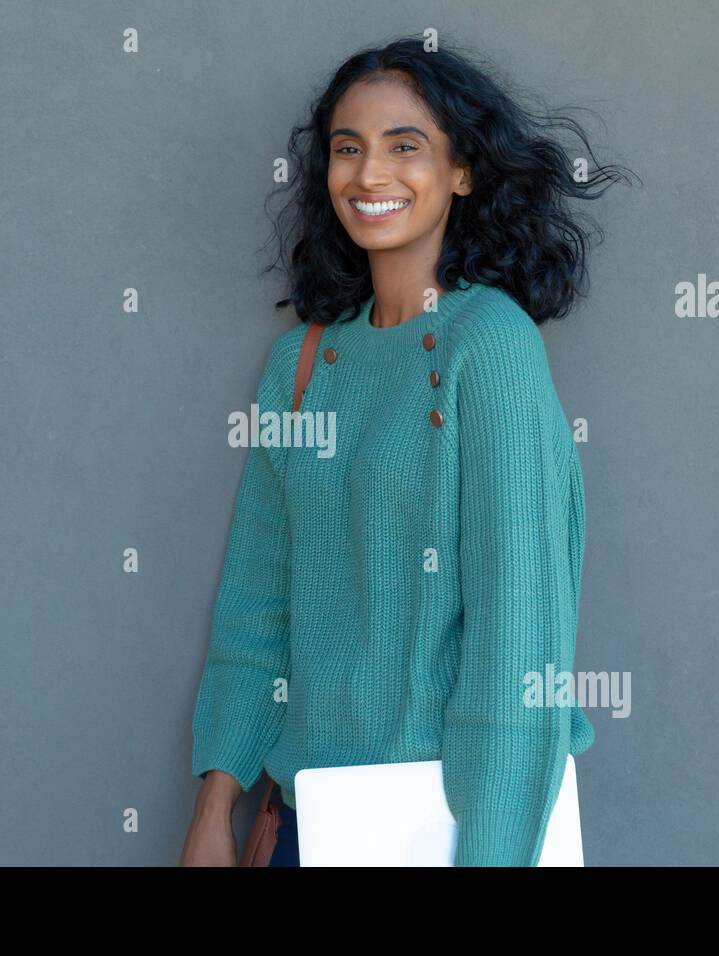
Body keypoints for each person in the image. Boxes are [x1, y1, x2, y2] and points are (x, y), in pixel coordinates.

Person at [179, 36, 636, 867]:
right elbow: (258, 604)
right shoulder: (302, 364)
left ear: (462, 172)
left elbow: (518, 638)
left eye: (405, 145)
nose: (370, 173)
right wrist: (216, 807)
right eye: (347, 149)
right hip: (307, 824)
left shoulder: (487, 345)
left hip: (446, 825)